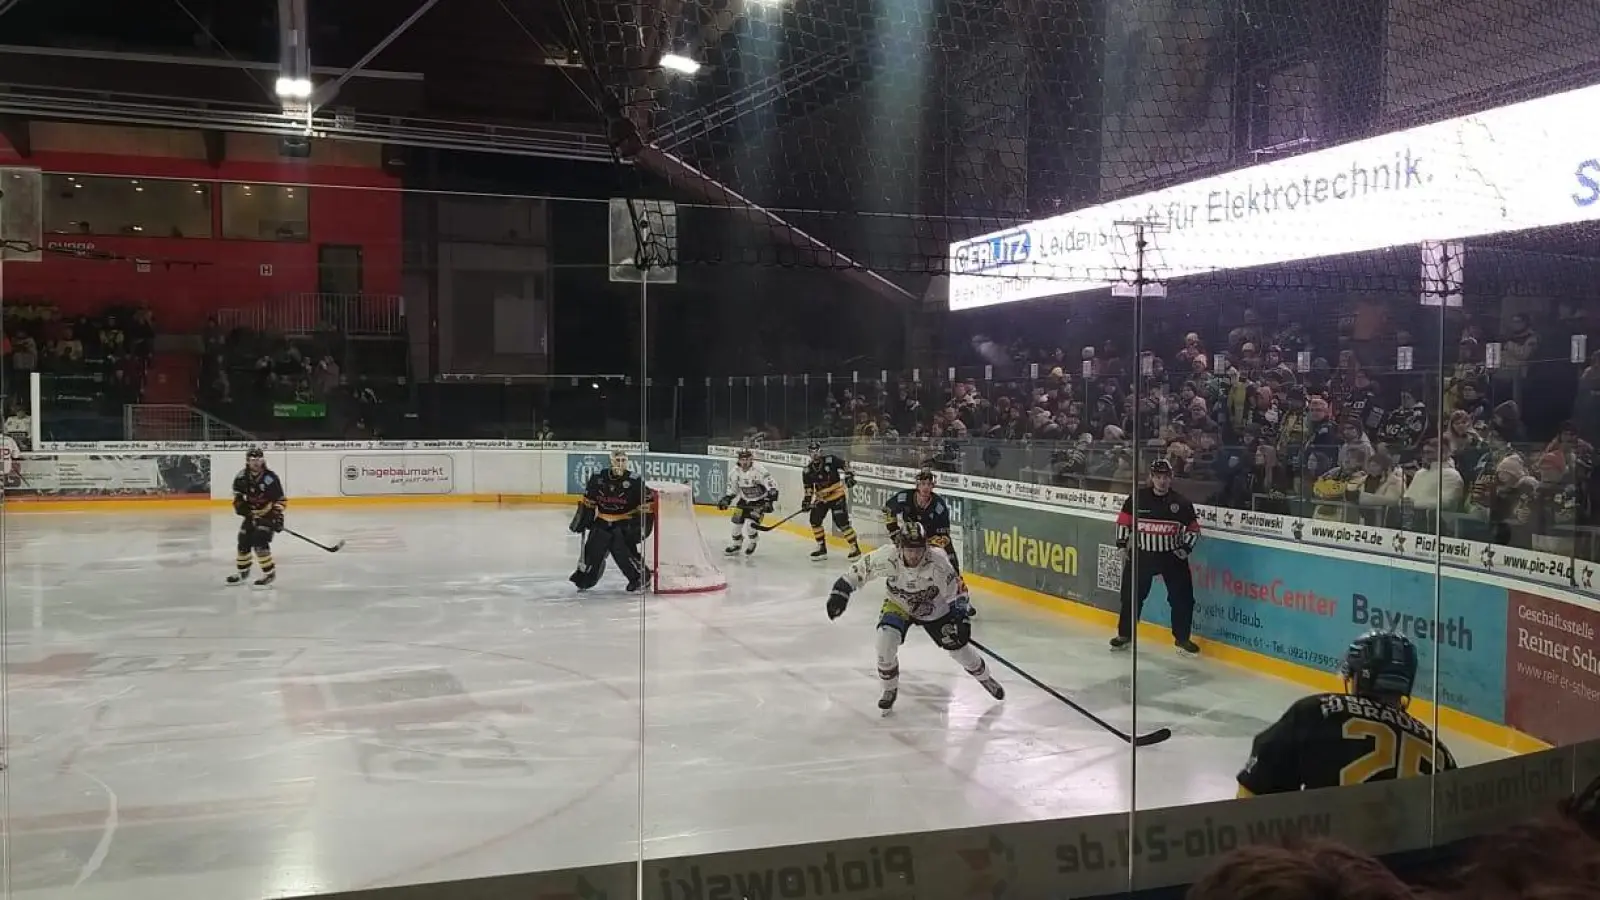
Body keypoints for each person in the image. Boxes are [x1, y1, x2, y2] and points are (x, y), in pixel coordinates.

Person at [1236, 631, 1457, 796]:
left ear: (1359, 677)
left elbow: (1254, 788)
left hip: (1328, 854)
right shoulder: (1439, 752)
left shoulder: (1315, 712)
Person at [826, 523, 1003, 711]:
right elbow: (859, 570)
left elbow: (957, 591)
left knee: (961, 650)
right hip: (899, 604)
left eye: (918, 550)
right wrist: (841, 592)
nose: (914, 555)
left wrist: (961, 617)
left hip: (935, 609)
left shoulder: (938, 561)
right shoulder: (887, 557)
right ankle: (889, 689)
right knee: (885, 643)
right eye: (909, 550)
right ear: (900, 547)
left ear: (925, 547)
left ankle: (985, 678)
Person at [1111, 457, 1202, 655]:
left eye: (1166, 477)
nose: (1162, 481)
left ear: (1171, 478)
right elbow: (1123, 522)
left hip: (1172, 557)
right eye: (1158, 477)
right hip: (1142, 555)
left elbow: (1194, 529)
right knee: (1131, 596)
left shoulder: (1181, 503)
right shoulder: (1137, 498)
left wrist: (1186, 549)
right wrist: (1120, 545)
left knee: (1182, 599)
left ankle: (1182, 639)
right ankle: (1125, 634)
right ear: (1151, 477)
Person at [883, 469, 974, 614]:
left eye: (929, 484)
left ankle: (962, 597)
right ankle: (904, 594)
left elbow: (944, 534)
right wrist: (894, 532)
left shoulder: (939, 506)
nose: (926, 487)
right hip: (912, 539)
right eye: (923, 484)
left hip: (932, 539)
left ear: (933, 486)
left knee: (950, 564)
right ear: (917, 485)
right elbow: (888, 509)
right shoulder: (905, 497)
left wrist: (932, 545)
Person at [569, 449, 653, 592]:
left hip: (624, 523)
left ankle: (639, 577)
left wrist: (640, 526)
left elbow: (647, 507)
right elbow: (589, 503)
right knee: (593, 550)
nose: (620, 464)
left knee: (622, 551)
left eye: (623, 461)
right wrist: (584, 519)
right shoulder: (598, 478)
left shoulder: (635, 481)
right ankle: (586, 577)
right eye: (617, 460)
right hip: (602, 520)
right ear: (611, 461)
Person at [228, 447, 286, 586]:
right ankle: (243, 573)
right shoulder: (241, 477)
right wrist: (242, 508)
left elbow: (280, 500)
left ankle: (269, 573)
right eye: (253, 460)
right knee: (243, 541)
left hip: (267, 515)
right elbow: (238, 498)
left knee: (259, 542)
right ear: (247, 461)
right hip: (251, 515)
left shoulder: (270, 479)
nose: (256, 462)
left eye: (258, 459)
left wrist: (277, 517)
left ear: (263, 460)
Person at [802, 441, 861, 561]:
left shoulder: (831, 460)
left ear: (820, 451)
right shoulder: (807, 470)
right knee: (814, 520)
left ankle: (855, 548)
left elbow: (845, 466)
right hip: (822, 499)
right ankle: (821, 549)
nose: (814, 454)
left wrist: (849, 474)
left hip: (837, 496)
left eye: (816, 451)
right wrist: (806, 501)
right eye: (811, 452)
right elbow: (808, 488)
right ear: (808, 453)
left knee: (842, 522)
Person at [718, 449, 779, 556]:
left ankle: (753, 542)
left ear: (751, 459)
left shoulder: (759, 470)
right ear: (739, 460)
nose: (745, 462)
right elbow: (733, 490)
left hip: (758, 502)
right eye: (742, 459)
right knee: (736, 527)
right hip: (743, 501)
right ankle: (737, 544)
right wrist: (727, 499)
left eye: (747, 459)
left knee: (751, 527)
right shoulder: (734, 472)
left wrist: (769, 501)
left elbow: (772, 486)